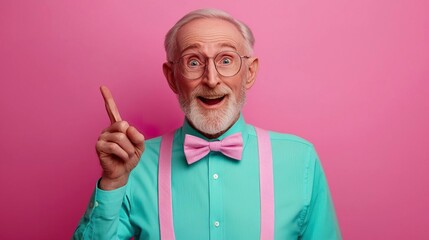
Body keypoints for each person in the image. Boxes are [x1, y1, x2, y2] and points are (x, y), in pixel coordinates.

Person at [73, 8, 342, 240]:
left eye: (226, 60)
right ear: (172, 77)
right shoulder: (134, 165)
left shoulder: (300, 160)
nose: (211, 79)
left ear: (249, 73)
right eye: (193, 62)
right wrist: (113, 183)